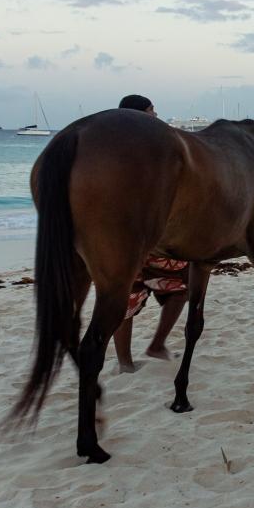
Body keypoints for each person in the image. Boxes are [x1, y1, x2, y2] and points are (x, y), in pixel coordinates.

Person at [111, 94, 188, 372]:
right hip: (152, 239)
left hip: (119, 240)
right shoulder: (152, 148)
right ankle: (156, 344)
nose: (156, 116)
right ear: (142, 115)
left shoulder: (110, 148)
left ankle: (125, 363)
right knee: (181, 288)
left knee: (124, 300)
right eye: (152, 111)